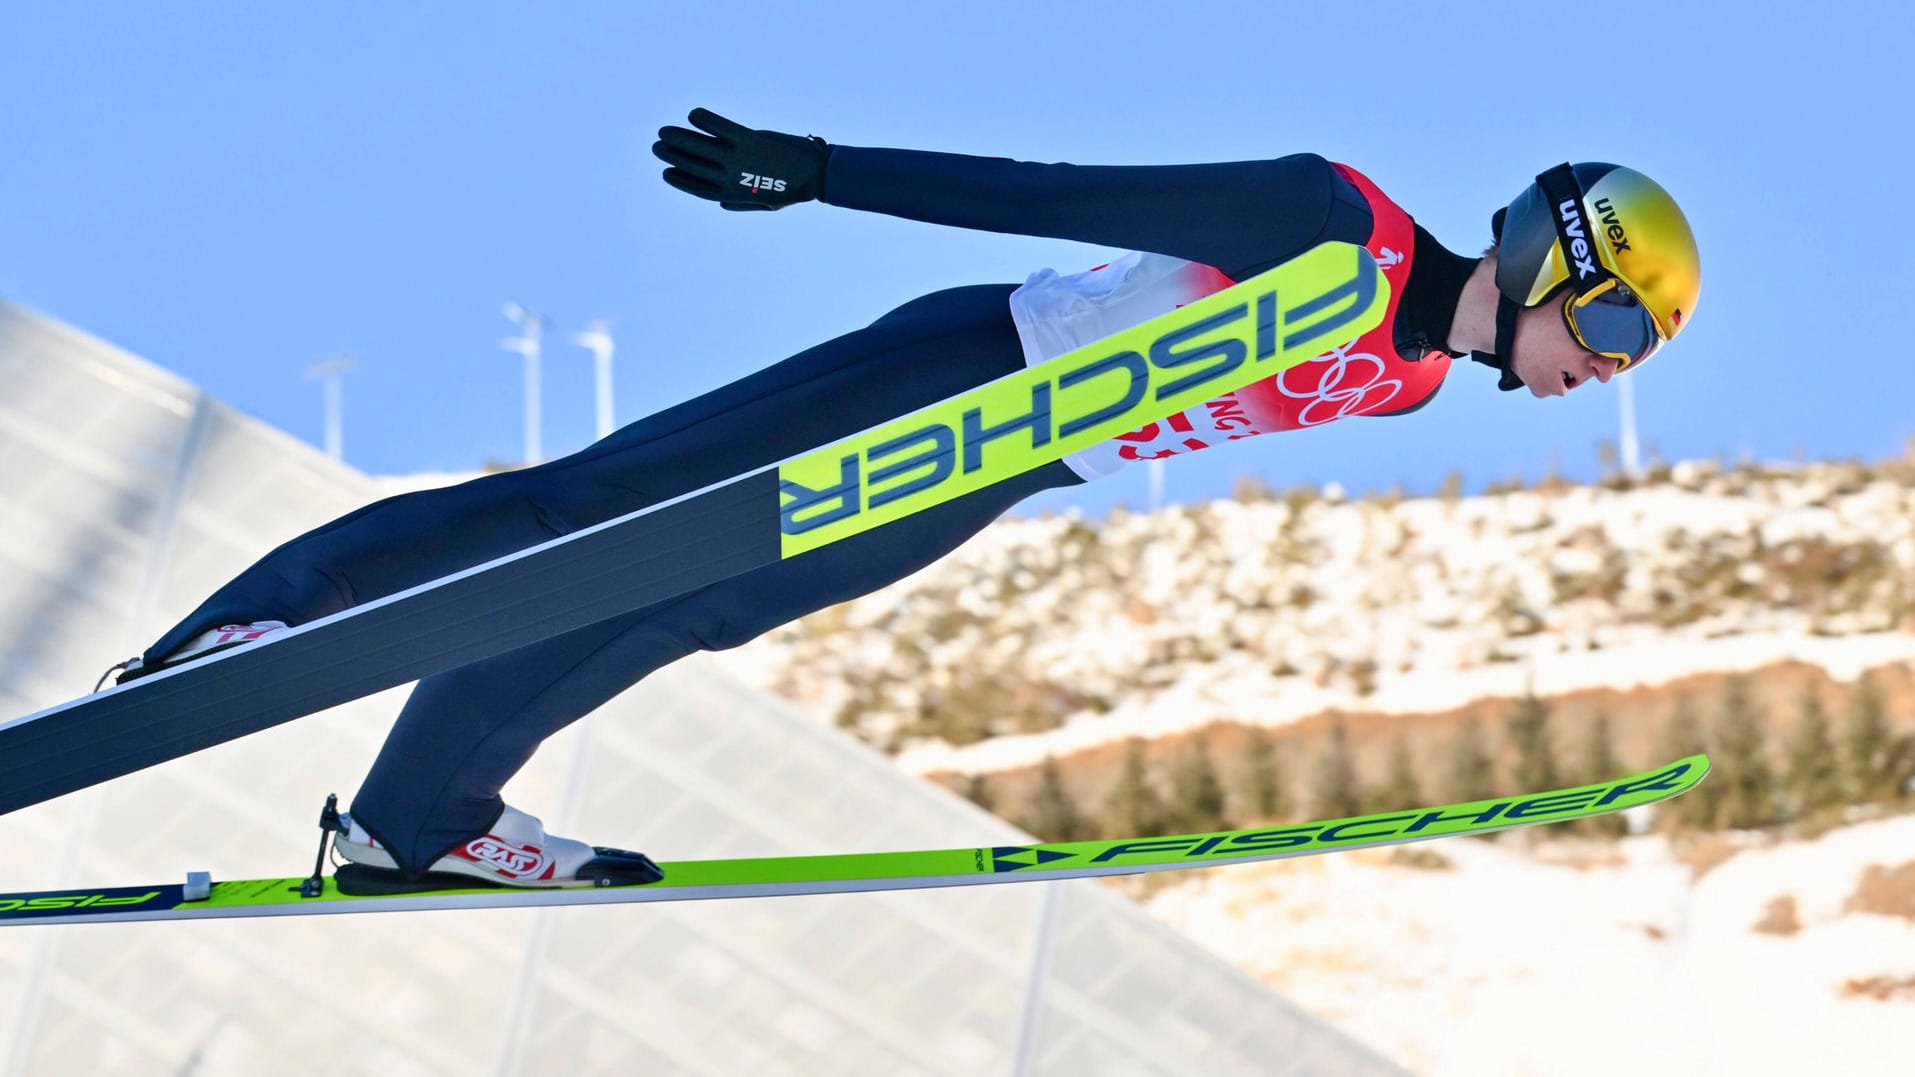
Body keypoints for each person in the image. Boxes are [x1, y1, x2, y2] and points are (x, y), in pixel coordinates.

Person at [105, 109, 1701, 890]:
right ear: (1551, 252)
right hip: (953, 373)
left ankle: (416, 820)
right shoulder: (1328, 224)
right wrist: (816, 169)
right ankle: (251, 623)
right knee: (598, 507)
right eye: (1616, 326)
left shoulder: (1412, 374)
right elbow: (1061, 201)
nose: (1607, 369)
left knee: (678, 598)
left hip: (994, 464)